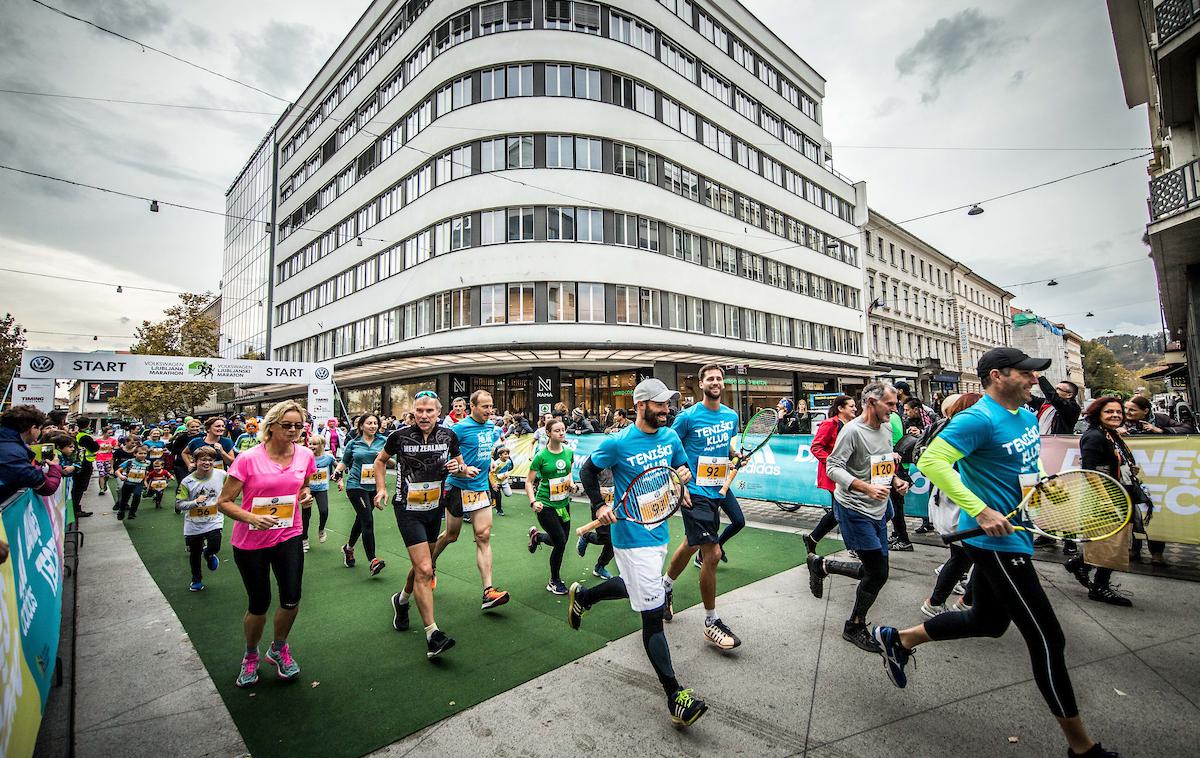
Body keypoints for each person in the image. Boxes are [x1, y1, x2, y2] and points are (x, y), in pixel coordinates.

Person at [873, 347, 1119, 758]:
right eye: (1026, 374)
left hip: (1017, 531)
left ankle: (898, 639)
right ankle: (1083, 748)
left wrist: (1043, 486)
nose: (1033, 380)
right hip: (995, 543)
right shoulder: (977, 418)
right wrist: (981, 510)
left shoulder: (1024, 416)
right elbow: (932, 461)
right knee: (1048, 639)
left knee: (987, 621)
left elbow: (1025, 465)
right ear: (997, 376)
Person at [569, 378, 708, 727]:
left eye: (668, 404)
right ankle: (675, 695)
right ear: (640, 404)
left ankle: (585, 597)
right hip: (631, 537)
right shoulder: (618, 442)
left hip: (658, 529)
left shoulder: (671, 436)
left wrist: (683, 476)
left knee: (636, 589)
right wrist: (599, 505)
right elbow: (587, 469)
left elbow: (681, 468)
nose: (666, 409)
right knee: (653, 612)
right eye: (659, 404)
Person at [216, 399, 314, 689]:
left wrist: (305, 495)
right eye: (287, 425)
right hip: (251, 542)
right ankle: (250, 655)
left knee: (291, 598)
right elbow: (224, 503)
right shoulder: (248, 459)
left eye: (298, 425)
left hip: (289, 535)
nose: (294, 430)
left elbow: (304, 485)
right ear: (271, 427)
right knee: (259, 604)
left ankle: (279, 648)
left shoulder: (305, 455)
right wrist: (251, 518)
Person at [806, 382, 907, 653]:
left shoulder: (886, 428)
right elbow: (833, 467)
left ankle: (822, 566)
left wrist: (895, 479)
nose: (895, 410)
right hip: (853, 508)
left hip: (879, 508)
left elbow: (882, 461)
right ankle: (854, 626)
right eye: (891, 404)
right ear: (871, 403)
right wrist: (865, 487)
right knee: (878, 572)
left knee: (875, 572)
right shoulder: (851, 431)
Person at [372, 391, 460, 659]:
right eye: (419, 411)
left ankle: (401, 600)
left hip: (434, 508)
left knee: (422, 565)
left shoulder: (448, 436)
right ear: (413, 412)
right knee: (425, 568)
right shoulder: (399, 436)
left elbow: (457, 462)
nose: (424, 415)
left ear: (438, 412)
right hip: (407, 508)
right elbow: (380, 461)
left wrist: (460, 468)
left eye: (429, 411)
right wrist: (381, 489)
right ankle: (433, 634)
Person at [660, 364, 742, 650]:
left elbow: (727, 448)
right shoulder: (687, 417)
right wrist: (678, 485)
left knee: (692, 544)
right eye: (710, 379)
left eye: (719, 378)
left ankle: (665, 587)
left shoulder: (731, 416)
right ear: (701, 383)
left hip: (719, 488)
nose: (715, 382)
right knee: (713, 553)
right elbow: (668, 448)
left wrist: (735, 454)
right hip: (694, 492)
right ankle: (711, 621)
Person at [431, 390, 510, 610]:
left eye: (491, 406)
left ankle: (488, 591)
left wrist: (491, 463)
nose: (489, 411)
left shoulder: (491, 427)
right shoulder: (458, 429)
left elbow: (486, 451)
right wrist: (463, 469)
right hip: (458, 488)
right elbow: (444, 460)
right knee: (452, 535)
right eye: (484, 407)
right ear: (472, 407)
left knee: (483, 536)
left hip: (481, 488)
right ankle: (431, 563)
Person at [1062, 398, 1139, 607]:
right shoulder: (1094, 436)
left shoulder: (1110, 434)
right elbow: (1090, 471)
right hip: (1104, 498)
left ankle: (1079, 565)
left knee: (1108, 542)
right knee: (1109, 543)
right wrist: (1107, 500)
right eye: (1109, 412)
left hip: (1119, 493)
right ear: (1097, 414)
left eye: (1118, 412)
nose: (1115, 415)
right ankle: (1099, 586)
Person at [919, 392, 982, 617]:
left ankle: (953, 600)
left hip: (957, 503)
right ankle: (953, 601)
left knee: (964, 557)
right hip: (957, 504)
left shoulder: (957, 429)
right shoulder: (957, 432)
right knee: (974, 557)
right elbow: (932, 464)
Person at [526, 417, 575, 594]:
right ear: (548, 433)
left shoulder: (569, 452)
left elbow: (568, 472)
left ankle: (537, 537)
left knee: (559, 540)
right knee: (560, 542)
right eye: (557, 430)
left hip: (563, 504)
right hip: (545, 504)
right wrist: (533, 502)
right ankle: (554, 580)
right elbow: (529, 481)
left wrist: (572, 483)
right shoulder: (541, 456)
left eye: (563, 430)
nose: (562, 433)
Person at [803, 395, 857, 555]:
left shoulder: (852, 425)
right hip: (834, 475)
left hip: (847, 473)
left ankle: (813, 538)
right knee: (843, 511)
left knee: (838, 512)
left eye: (855, 406)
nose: (855, 408)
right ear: (840, 408)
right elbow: (816, 447)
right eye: (851, 406)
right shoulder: (829, 424)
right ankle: (853, 546)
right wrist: (833, 462)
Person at [336, 413, 387, 576]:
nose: (372, 426)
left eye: (375, 423)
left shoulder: (383, 441)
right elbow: (344, 461)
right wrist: (337, 473)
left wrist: (386, 460)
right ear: (361, 426)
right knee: (367, 520)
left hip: (374, 486)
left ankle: (348, 548)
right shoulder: (354, 442)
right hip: (356, 485)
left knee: (361, 519)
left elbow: (390, 460)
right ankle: (373, 561)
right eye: (369, 423)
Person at [176, 446, 226, 591]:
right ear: (195, 461)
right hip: (193, 524)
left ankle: (209, 554)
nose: (207, 463)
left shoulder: (222, 474)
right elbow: (179, 504)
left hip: (214, 520)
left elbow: (233, 486)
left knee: (215, 545)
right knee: (194, 553)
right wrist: (195, 502)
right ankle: (196, 580)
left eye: (210, 460)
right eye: (203, 460)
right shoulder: (187, 482)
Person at [0, 405, 62, 503]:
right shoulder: (15, 454)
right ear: (33, 428)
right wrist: (55, 467)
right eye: (40, 428)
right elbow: (47, 487)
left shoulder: (10, 446)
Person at [303, 436, 335, 550]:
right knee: (306, 515)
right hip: (308, 489)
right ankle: (304, 538)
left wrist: (338, 478)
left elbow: (338, 468)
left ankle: (321, 530)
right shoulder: (305, 458)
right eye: (310, 443)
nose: (311, 446)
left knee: (324, 510)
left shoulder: (328, 457)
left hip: (322, 489)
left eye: (315, 444)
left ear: (322, 445)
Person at [114, 445, 152, 520]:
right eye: (140, 453)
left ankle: (132, 513)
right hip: (128, 483)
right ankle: (121, 511)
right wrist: (121, 476)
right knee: (125, 499)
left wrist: (145, 481)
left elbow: (146, 473)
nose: (143, 455)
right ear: (135, 454)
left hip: (139, 483)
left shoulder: (148, 462)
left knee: (137, 496)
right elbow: (117, 471)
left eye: (145, 453)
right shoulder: (130, 462)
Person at [70, 423, 98, 518]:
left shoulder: (77, 436)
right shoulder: (84, 437)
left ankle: (76, 508)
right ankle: (75, 509)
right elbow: (94, 448)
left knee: (77, 488)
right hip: (83, 464)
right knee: (79, 488)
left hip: (79, 463)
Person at [169, 419, 202, 495]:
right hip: (181, 465)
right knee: (183, 484)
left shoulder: (203, 436)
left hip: (198, 464)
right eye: (192, 427)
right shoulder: (182, 437)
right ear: (187, 427)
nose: (195, 428)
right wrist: (187, 452)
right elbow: (173, 450)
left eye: (197, 426)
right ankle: (179, 503)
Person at [94, 425, 120, 495]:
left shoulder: (113, 440)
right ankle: (101, 489)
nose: (110, 434)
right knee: (101, 473)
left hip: (109, 459)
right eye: (109, 433)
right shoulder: (97, 441)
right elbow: (94, 449)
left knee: (107, 474)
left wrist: (113, 447)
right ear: (104, 433)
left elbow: (117, 448)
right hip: (99, 459)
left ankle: (104, 483)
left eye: (111, 433)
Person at [489, 446, 513, 516]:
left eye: (508, 454)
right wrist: (494, 484)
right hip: (497, 482)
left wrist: (506, 475)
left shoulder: (509, 461)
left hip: (504, 481)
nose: (507, 455)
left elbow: (509, 469)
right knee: (498, 496)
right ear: (500, 455)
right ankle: (499, 509)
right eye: (505, 454)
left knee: (509, 494)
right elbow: (491, 473)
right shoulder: (496, 463)